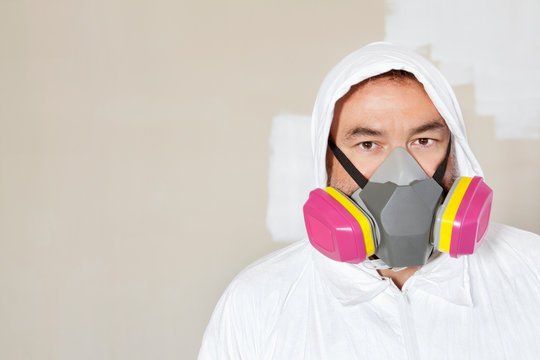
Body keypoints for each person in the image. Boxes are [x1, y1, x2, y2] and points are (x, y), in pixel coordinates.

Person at [198, 42, 540, 359]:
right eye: (367, 145)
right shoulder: (258, 301)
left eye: (423, 140)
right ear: (326, 159)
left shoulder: (531, 271)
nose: (402, 173)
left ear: (455, 152)